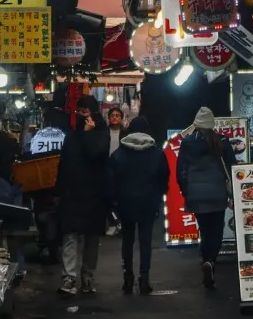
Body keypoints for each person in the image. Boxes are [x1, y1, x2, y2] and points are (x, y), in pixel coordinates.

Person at [55, 94, 110, 295]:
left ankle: (87, 277)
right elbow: (64, 163)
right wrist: (59, 190)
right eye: (79, 111)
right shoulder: (72, 134)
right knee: (70, 235)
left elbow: (94, 153)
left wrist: (89, 134)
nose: (82, 115)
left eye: (85, 111)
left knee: (91, 237)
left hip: (94, 193)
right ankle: (69, 278)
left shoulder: (101, 133)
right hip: (72, 192)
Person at [108, 116, 169, 295]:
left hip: (125, 202)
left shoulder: (118, 154)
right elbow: (164, 177)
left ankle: (128, 277)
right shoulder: (156, 154)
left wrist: (114, 202)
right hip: (148, 202)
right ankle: (144, 278)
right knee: (145, 240)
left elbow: (111, 179)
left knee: (127, 240)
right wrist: (159, 195)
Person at [176, 106, 236, 289]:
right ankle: (211, 260)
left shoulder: (187, 142)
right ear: (211, 123)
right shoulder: (222, 141)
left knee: (204, 230)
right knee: (216, 230)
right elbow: (233, 166)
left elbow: (180, 171)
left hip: (196, 194)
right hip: (217, 192)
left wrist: (186, 191)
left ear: (196, 123)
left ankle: (206, 259)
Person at [105, 106, 125, 236]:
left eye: (117, 115)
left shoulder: (126, 133)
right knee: (108, 197)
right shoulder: (104, 132)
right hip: (107, 167)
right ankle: (113, 222)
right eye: (112, 115)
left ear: (121, 118)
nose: (115, 118)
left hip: (121, 168)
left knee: (121, 197)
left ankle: (120, 222)